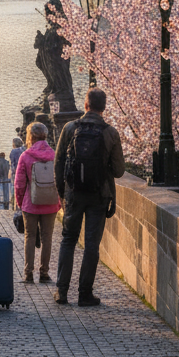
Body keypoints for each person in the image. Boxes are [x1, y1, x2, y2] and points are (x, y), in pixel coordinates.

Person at [53, 88, 125, 307]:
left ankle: (62, 291)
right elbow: (120, 170)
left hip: (74, 193)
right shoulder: (110, 132)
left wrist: (62, 192)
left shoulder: (70, 128)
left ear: (86, 105)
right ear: (104, 108)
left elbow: (58, 163)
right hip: (98, 195)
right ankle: (85, 294)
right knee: (92, 245)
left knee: (68, 240)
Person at [14, 122, 60, 284]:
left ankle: (28, 273)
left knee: (30, 237)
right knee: (47, 237)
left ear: (30, 137)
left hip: (30, 203)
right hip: (51, 203)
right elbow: (60, 181)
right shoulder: (54, 155)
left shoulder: (25, 156)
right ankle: (44, 273)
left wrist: (20, 203)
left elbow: (19, 184)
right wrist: (59, 202)